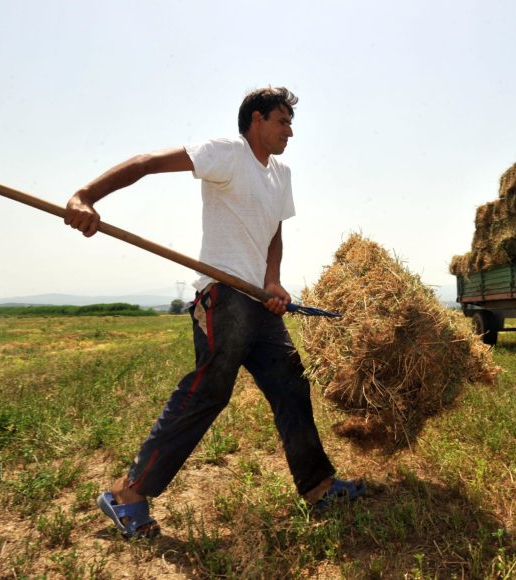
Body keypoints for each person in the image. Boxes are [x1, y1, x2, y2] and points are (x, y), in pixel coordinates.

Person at [64, 87, 364, 540]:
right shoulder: (226, 153)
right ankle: (126, 495)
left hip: (260, 302)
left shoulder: (281, 173)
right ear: (257, 120)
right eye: (283, 121)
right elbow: (146, 162)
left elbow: (274, 233)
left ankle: (318, 487)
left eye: (290, 122)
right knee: (209, 391)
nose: (290, 131)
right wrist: (86, 195)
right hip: (222, 295)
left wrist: (273, 281)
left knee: (290, 384)